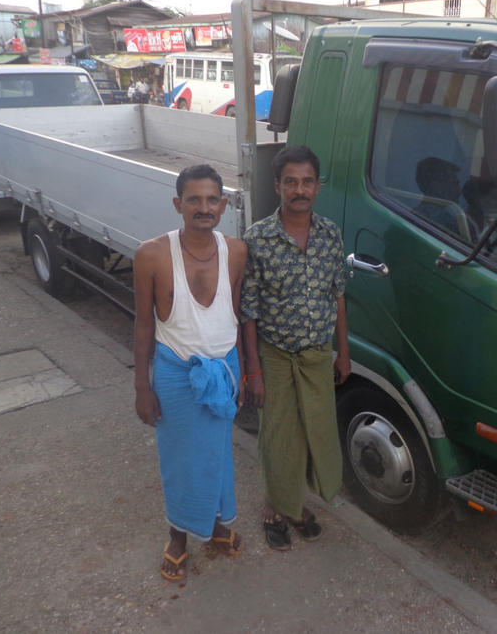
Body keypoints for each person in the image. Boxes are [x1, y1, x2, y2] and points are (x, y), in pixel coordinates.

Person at [134, 163, 248, 581]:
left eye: (212, 199)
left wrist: (245, 374)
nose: (204, 207)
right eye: (194, 200)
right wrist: (142, 387)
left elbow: (234, 314)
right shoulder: (152, 254)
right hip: (176, 374)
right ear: (178, 204)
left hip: (224, 370)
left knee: (216, 453)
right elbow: (144, 324)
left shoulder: (235, 250)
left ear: (224, 203)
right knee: (179, 457)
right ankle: (178, 536)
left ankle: (214, 524)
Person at [240, 144, 350, 551]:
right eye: (291, 182)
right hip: (275, 355)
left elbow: (337, 295)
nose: (299, 189)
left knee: (313, 431)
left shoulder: (329, 235)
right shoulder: (258, 239)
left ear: (317, 187)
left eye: (307, 181)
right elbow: (248, 311)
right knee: (278, 436)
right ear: (278, 186)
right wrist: (252, 371)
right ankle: (276, 507)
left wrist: (344, 352)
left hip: (318, 354)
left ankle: (296, 500)